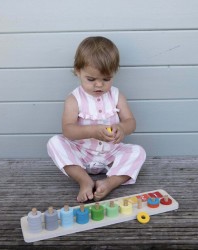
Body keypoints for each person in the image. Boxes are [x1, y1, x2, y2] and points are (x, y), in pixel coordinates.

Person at [47, 36, 146, 203]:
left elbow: (131, 122)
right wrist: (93, 131)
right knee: (55, 142)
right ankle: (84, 180)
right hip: (82, 154)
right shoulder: (74, 99)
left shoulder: (116, 96)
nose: (99, 85)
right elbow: (68, 130)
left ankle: (109, 182)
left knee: (138, 152)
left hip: (111, 154)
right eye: (91, 79)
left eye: (106, 79)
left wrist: (122, 128)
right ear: (78, 71)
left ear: (114, 73)